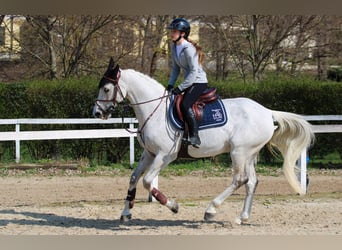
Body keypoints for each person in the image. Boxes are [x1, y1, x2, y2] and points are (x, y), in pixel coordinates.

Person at [167, 17, 208, 148]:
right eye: (172, 31)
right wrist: (170, 84)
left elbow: (194, 72)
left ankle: (194, 136)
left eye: (174, 31)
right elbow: (175, 68)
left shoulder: (189, 49)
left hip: (199, 82)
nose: (171, 33)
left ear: (182, 34)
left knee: (185, 105)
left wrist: (180, 88)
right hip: (190, 81)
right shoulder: (174, 47)